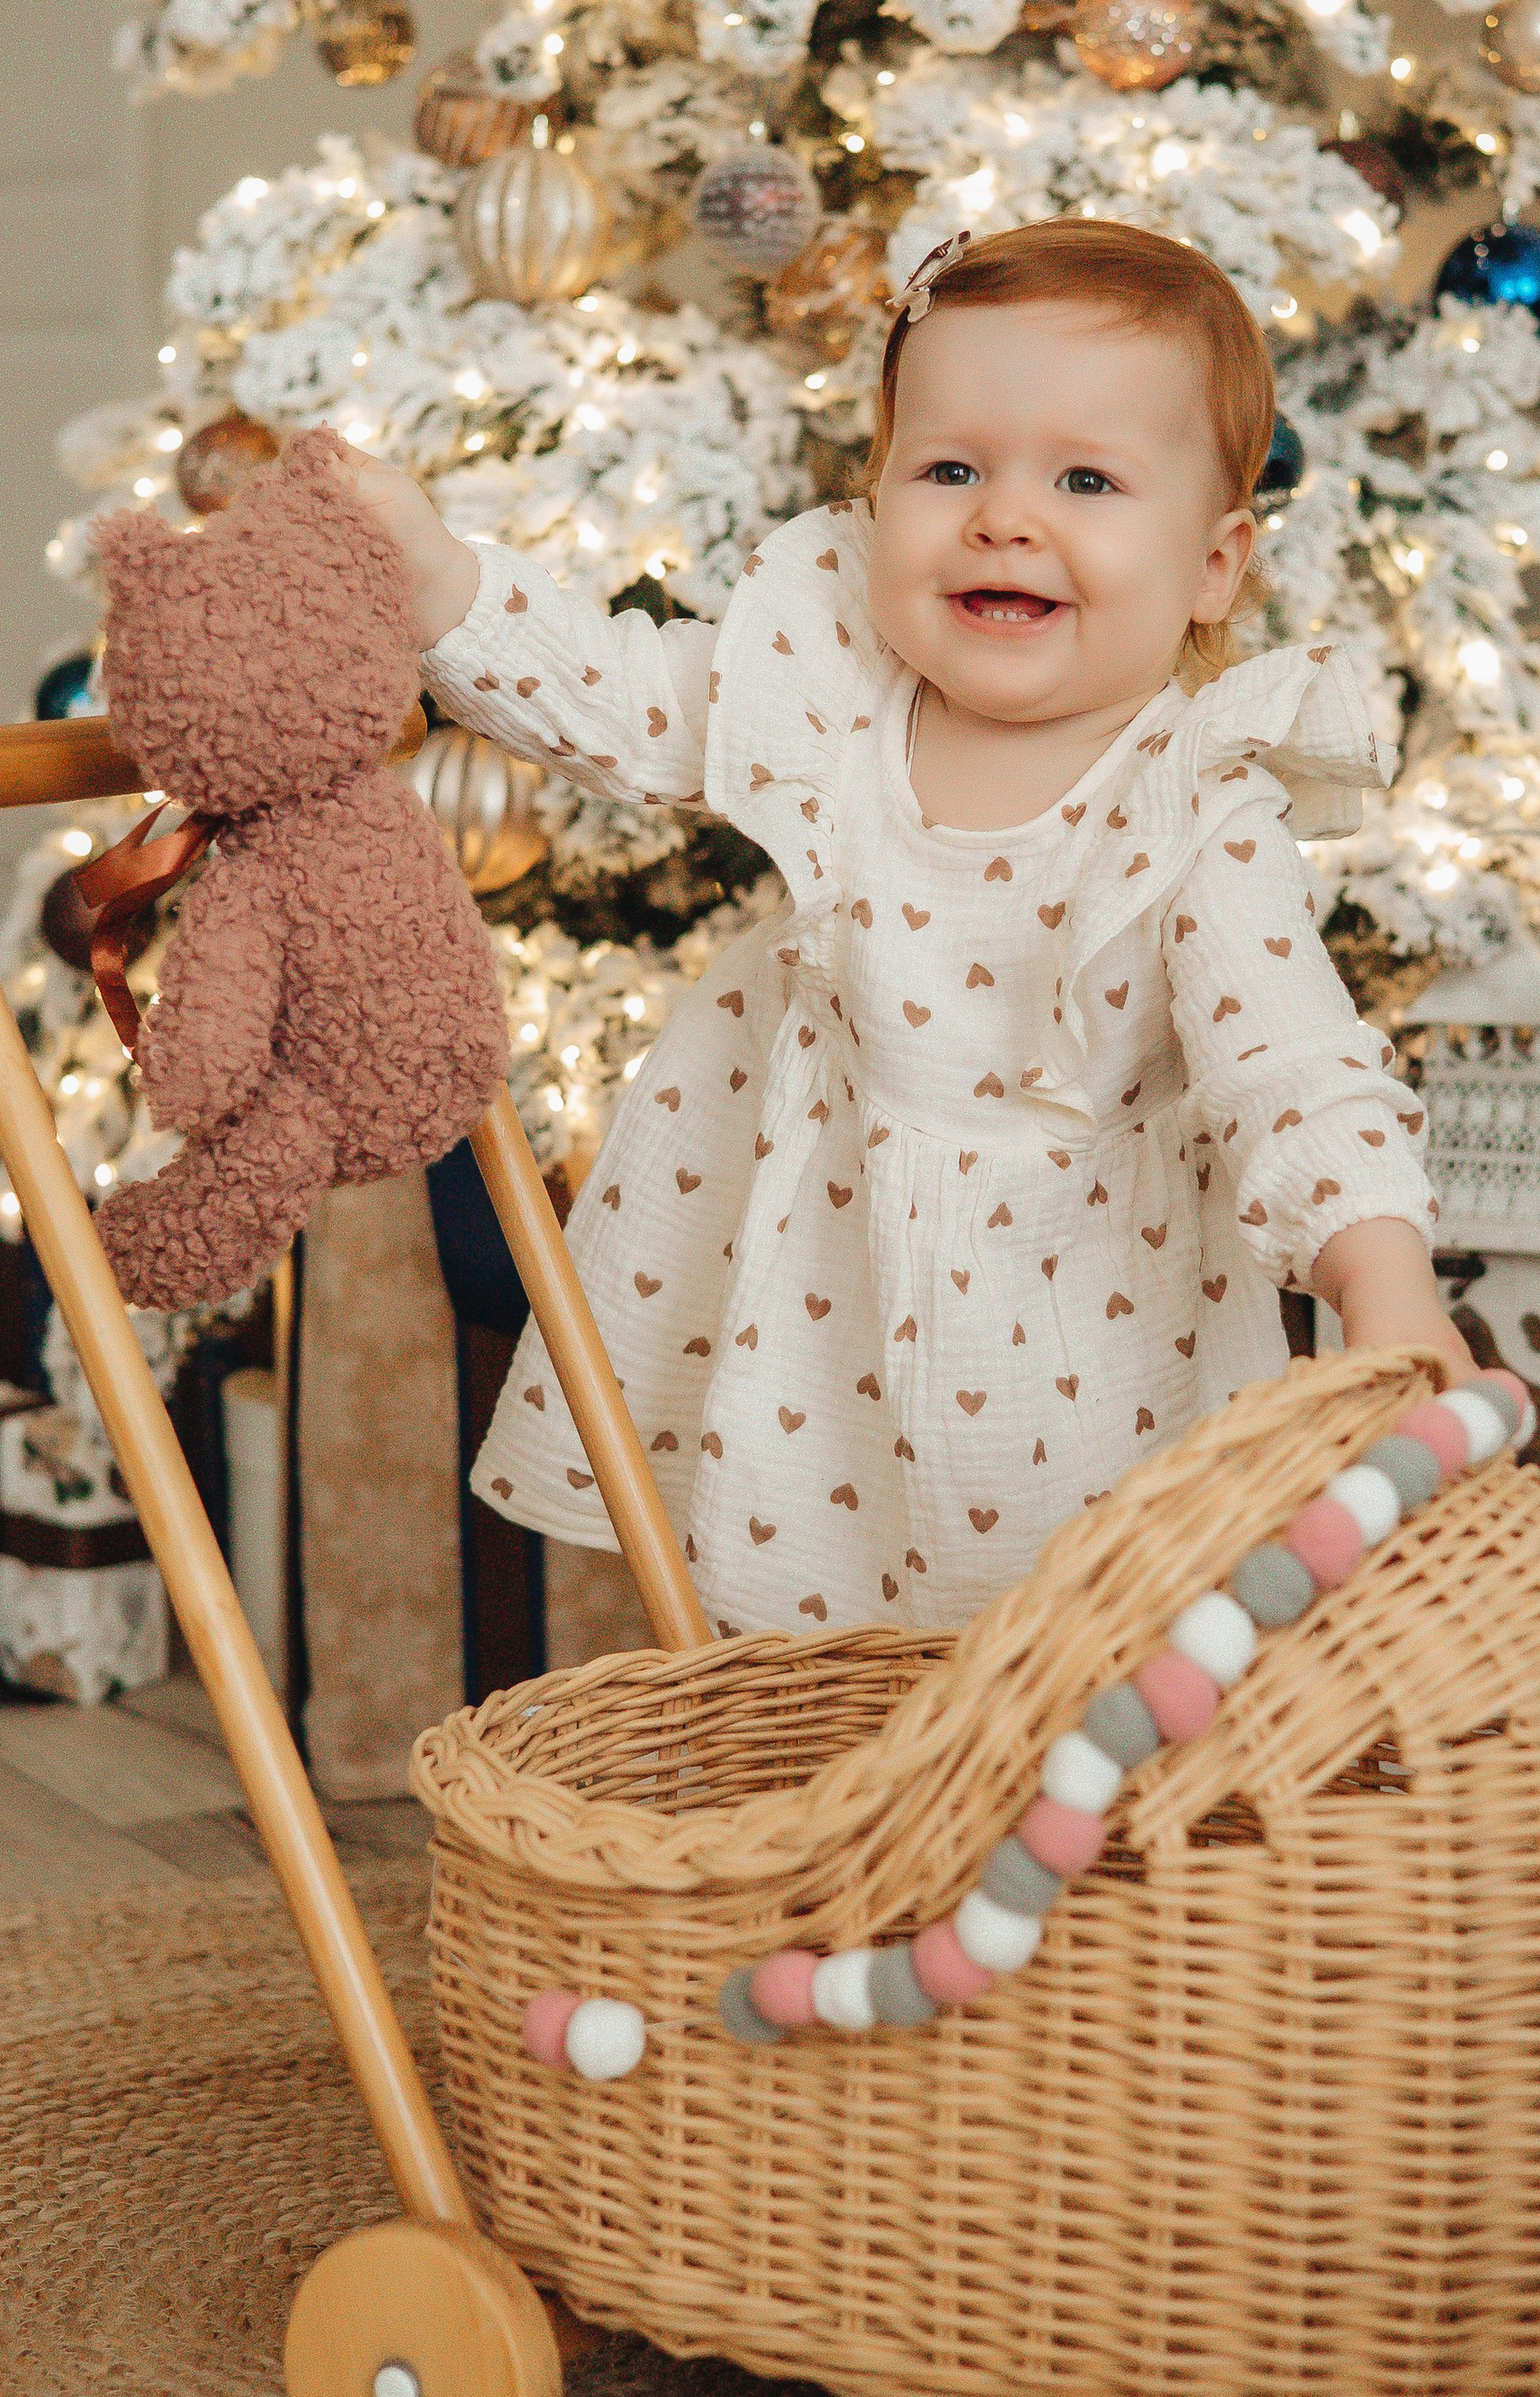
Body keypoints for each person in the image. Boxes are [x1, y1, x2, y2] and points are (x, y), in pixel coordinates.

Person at [342, 216, 1474, 1636]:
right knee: (805, 1662)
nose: (1006, 516)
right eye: (949, 470)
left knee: (1092, 1669)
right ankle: (820, 1830)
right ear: (875, 505)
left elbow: (1291, 1067)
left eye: (1087, 478)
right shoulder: (827, 703)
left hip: (1095, 1339)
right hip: (822, 1307)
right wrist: (434, 573)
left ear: (1214, 567)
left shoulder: (1197, 805)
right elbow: (615, 697)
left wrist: (1389, 1287)